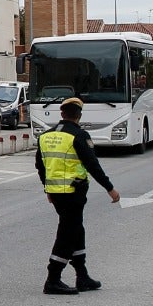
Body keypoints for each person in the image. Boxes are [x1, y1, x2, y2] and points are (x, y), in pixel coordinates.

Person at [35, 96, 120, 295]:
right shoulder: (78, 136)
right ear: (79, 116)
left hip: (56, 193)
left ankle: (82, 276)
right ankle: (53, 278)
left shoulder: (45, 136)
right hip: (73, 192)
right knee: (67, 234)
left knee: (76, 230)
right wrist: (110, 188)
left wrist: (47, 189)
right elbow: (92, 165)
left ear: (62, 113)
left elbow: (40, 166)